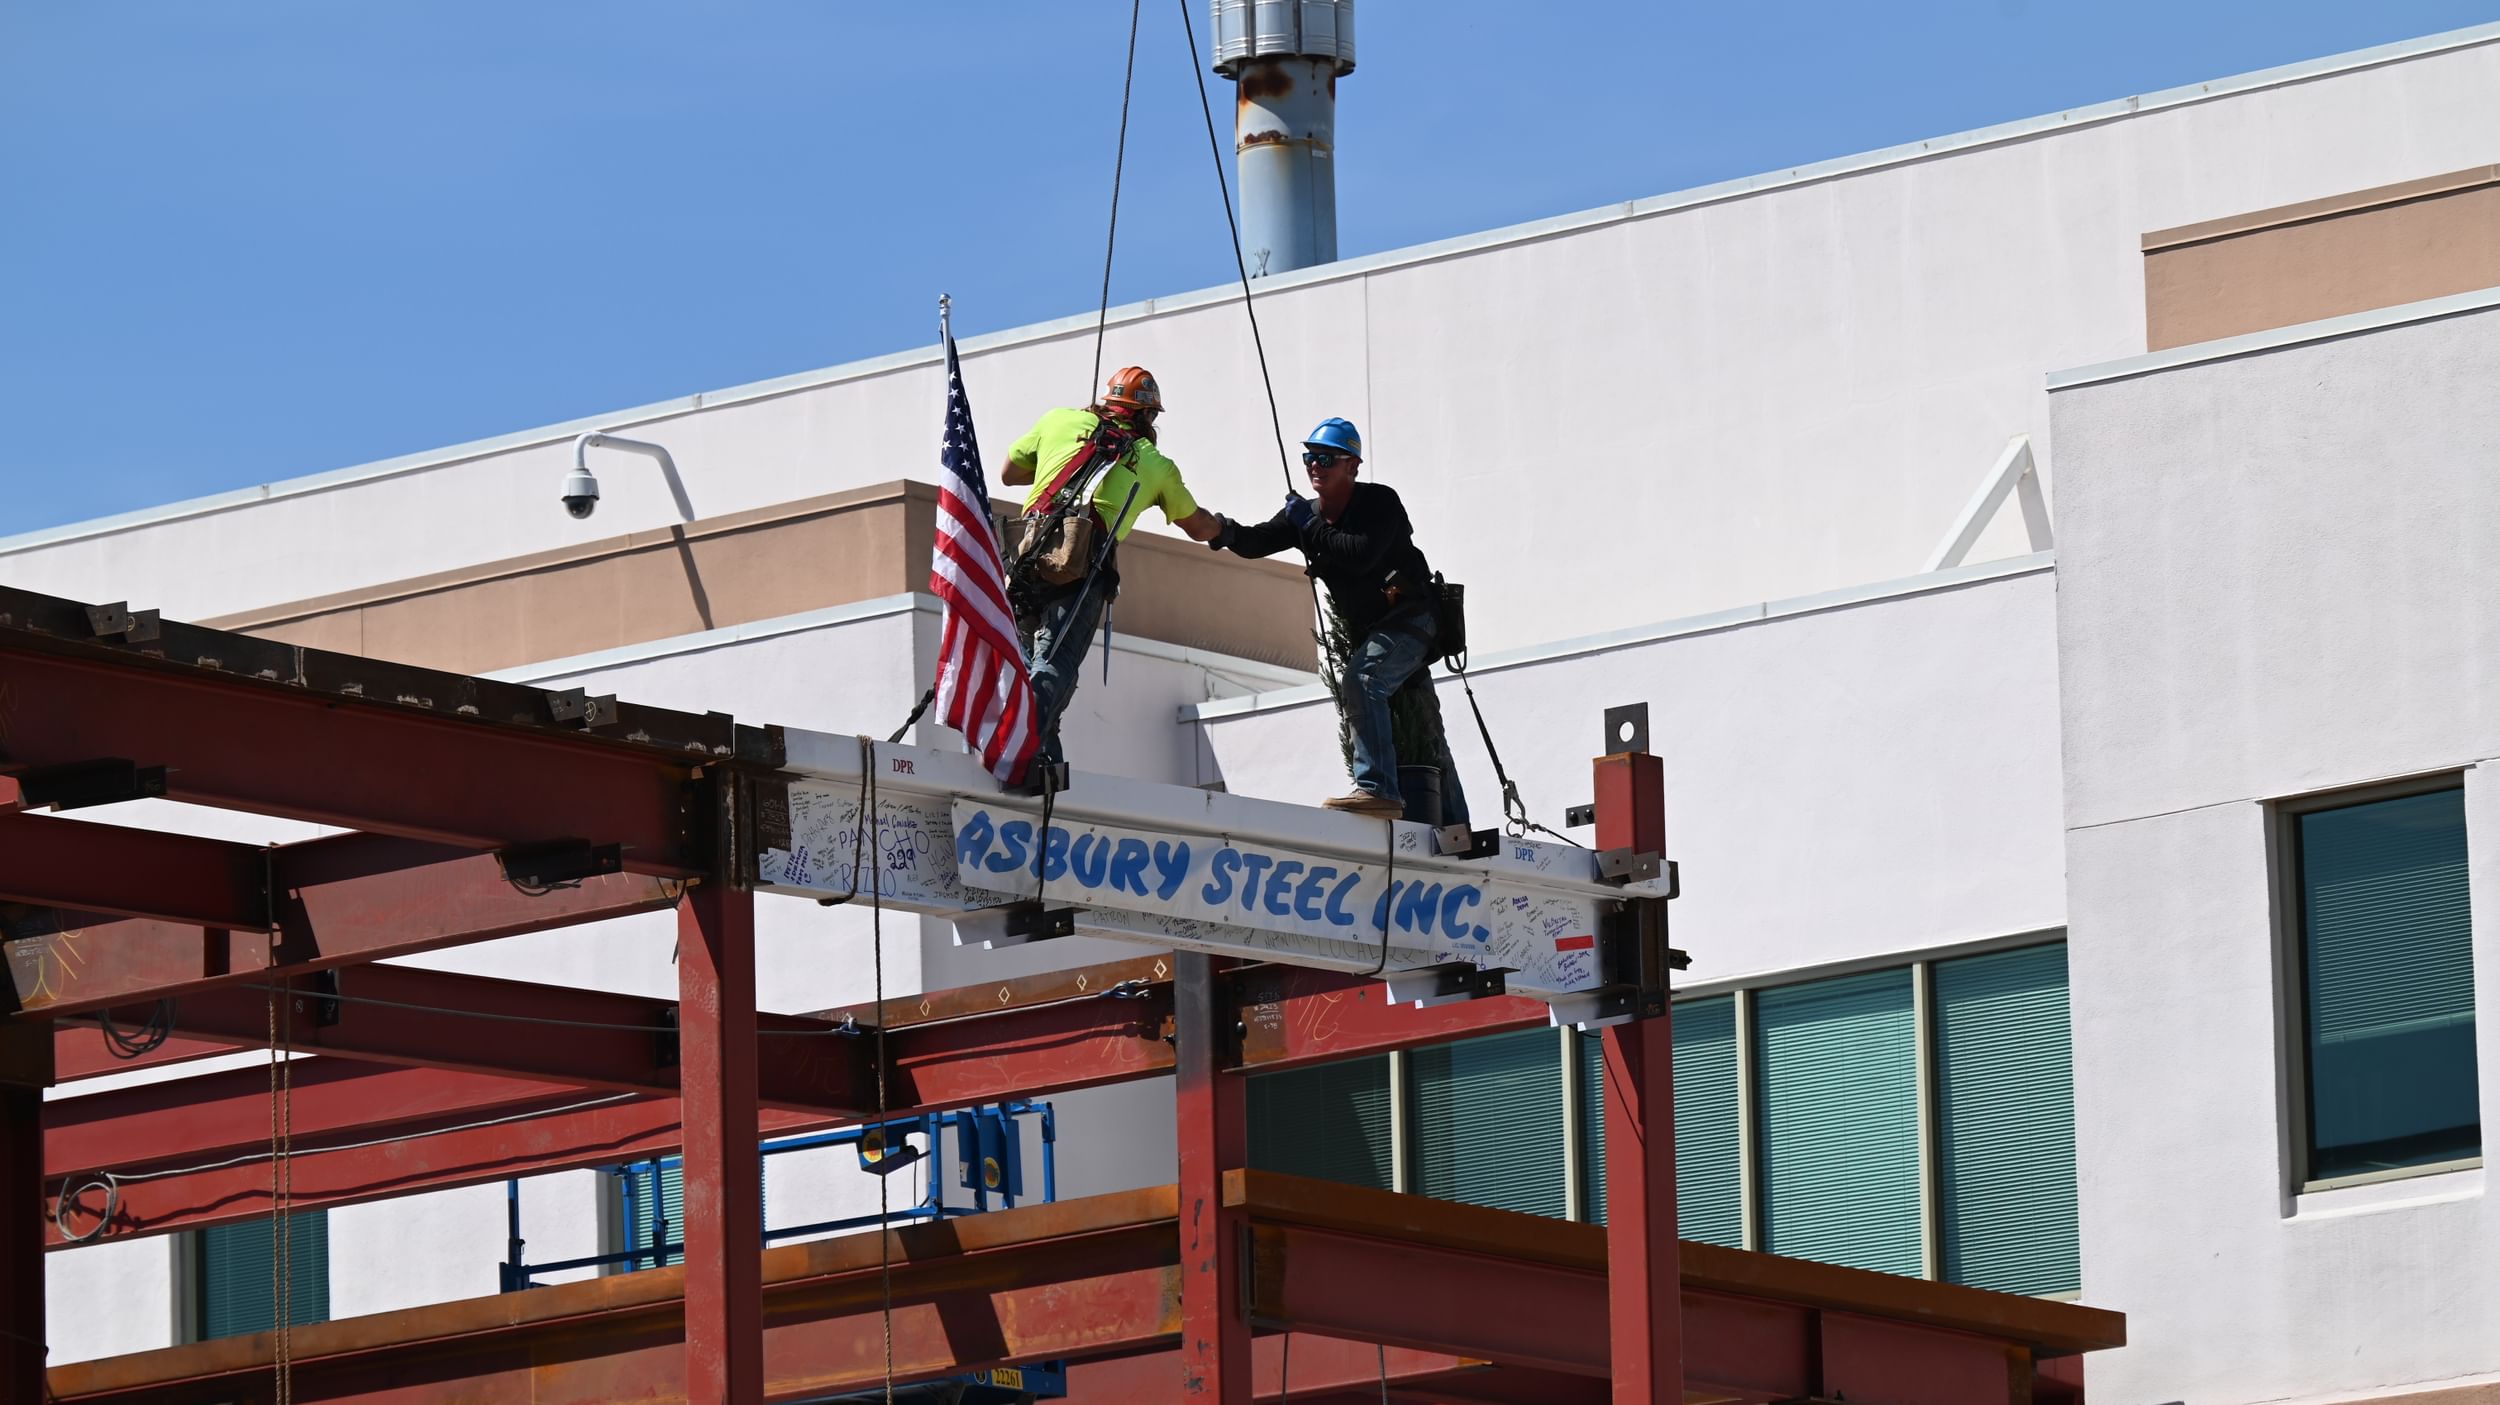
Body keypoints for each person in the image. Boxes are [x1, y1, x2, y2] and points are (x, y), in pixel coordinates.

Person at [1208, 418, 1469, 824]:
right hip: (1383, 630)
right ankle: (1456, 825)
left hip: (1414, 619)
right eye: (1310, 457)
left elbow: (1359, 554)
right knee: (1427, 729)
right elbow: (1260, 540)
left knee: (1362, 679)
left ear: (1353, 466)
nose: (1315, 465)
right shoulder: (1307, 514)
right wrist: (1222, 531)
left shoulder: (1379, 503)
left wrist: (1307, 525)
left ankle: (1378, 790)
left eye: (1326, 458)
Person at [1002, 366, 1226, 774]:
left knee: (1034, 662)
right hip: (1080, 569)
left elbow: (1009, 473)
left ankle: (1040, 760)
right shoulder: (1154, 462)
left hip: (1024, 560)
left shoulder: (1059, 420)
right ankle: (1019, 745)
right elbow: (1199, 527)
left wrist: (1061, 461)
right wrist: (1226, 528)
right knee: (1055, 663)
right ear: (1145, 415)